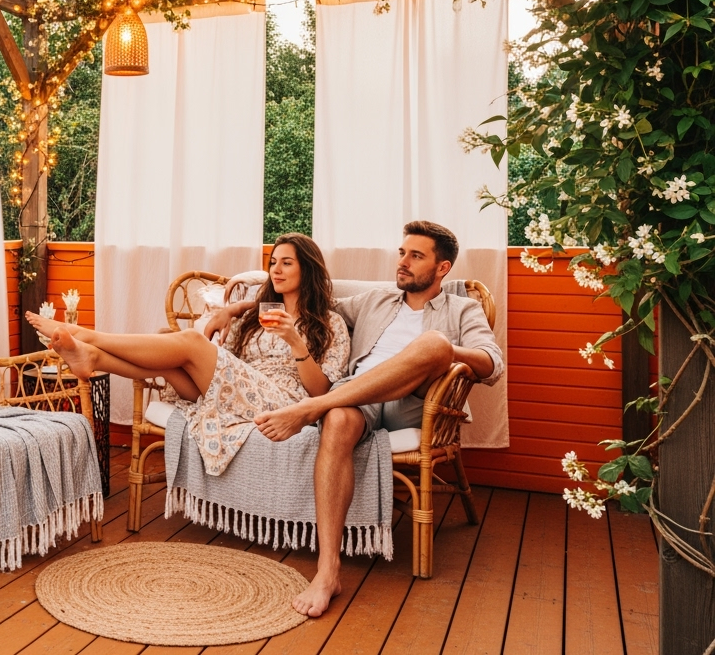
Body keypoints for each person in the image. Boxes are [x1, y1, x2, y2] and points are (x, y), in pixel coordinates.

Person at [208, 220, 503, 618]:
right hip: (358, 395)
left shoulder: (461, 308)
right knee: (339, 419)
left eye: (416, 256)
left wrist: (446, 352)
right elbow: (306, 299)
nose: (403, 262)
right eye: (402, 253)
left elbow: (492, 364)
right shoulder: (375, 301)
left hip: (414, 402)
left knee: (432, 343)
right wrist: (235, 307)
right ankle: (328, 571)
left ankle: (311, 408)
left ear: (442, 268)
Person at [26, 233, 351, 475]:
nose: (276, 270)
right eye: (273, 263)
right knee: (171, 355)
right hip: (238, 388)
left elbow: (322, 392)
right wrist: (233, 312)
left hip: (284, 401)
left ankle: (91, 337)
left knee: (193, 342)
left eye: (287, 263)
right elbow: (229, 360)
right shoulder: (254, 317)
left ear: (307, 269)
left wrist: (296, 343)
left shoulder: (330, 323)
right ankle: (94, 358)